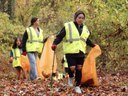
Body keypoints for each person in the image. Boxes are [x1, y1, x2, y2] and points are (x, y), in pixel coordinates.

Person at [51, 10, 95, 94]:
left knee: (79, 68)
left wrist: (93, 45)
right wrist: (55, 43)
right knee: (72, 68)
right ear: (75, 18)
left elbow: (86, 39)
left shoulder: (85, 28)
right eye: (79, 17)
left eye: (82, 18)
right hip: (70, 51)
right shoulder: (68, 26)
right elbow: (60, 36)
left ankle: (77, 86)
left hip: (81, 51)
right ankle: (71, 78)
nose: (81, 19)